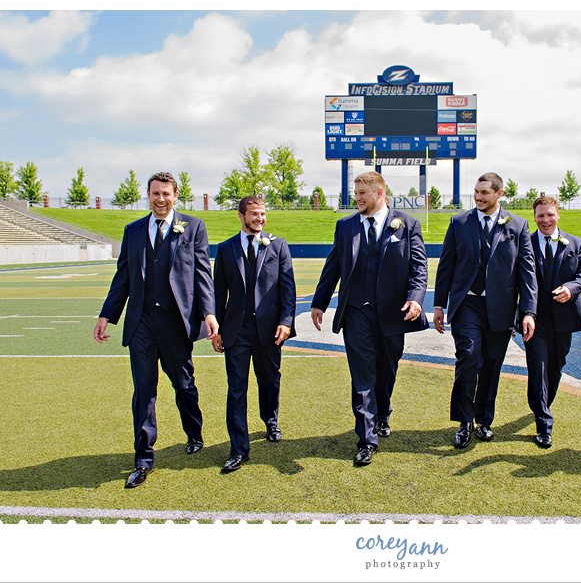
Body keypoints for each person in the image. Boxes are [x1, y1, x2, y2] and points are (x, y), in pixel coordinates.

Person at [94, 172, 218, 488]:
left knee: (184, 384)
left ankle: (194, 432)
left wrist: (209, 313)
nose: (160, 199)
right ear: (147, 195)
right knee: (144, 391)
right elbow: (123, 276)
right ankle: (144, 457)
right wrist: (106, 315)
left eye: (165, 194)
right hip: (142, 323)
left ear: (176, 195)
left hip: (177, 322)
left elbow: (203, 274)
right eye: (154, 194)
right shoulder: (133, 231)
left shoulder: (193, 227)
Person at [311, 171, 429, 466]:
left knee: (387, 369)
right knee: (362, 375)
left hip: (393, 313)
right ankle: (366, 439)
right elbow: (333, 265)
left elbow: (418, 269)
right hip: (356, 312)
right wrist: (319, 303)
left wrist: (415, 300)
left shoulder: (407, 224)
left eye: (363, 193)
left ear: (380, 193)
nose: (357, 198)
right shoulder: (345, 226)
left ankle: (383, 413)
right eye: (356, 192)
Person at [433, 172, 537, 448]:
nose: (478, 197)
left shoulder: (518, 225)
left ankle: (484, 420)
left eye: (484, 193)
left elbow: (527, 273)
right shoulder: (458, 222)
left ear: (499, 193)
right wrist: (439, 304)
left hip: (500, 308)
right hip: (466, 303)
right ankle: (464, 421)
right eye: (476, 192)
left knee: (492, 365)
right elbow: (446, 265)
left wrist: (528, 312)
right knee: (468, 358)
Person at [211, 196, 296, 473]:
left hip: (269, 330)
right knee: (236, 389)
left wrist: (286, 321)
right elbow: (217, 293)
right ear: (241, 215)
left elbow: (288, 289)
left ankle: (270, 420)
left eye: (262, 214)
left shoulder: (278, 245)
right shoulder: (224, 250)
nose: (259, 219)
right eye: (254, 214)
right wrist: (217, 330)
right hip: (236, 331)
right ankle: (238, 449)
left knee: (270, 380)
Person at [526, 196, 581, 448]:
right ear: (534, 217)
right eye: (541, 216)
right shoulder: (525, 243)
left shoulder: (576, 243)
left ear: (558, 215)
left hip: (564, 319)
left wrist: (571, 288)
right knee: (538, 369)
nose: (545, 220)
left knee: (555, 368)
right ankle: (543, 423)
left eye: (550, 215)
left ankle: (544, 405)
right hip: (534, 318)